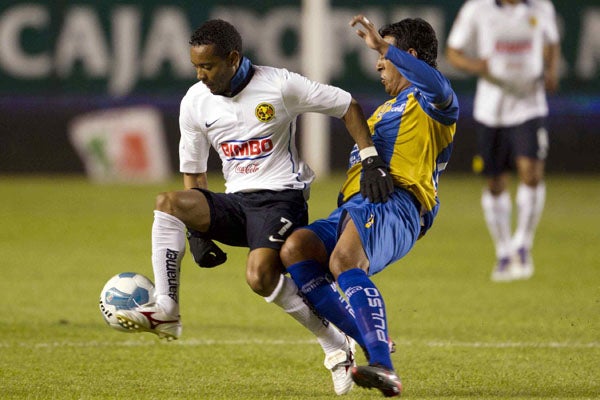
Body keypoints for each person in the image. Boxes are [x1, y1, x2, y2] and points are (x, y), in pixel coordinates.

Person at [113, 19, 394, 395]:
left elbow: (347, 105)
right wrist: (198, 235)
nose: (200, 75)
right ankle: (166, 310)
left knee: (259, 276)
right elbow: (194, 175)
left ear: (233, 59)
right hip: (237, 202)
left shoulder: (280, 85)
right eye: (195, 66)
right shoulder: (195, 101)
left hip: (281, 198)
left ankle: (334, 343)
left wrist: (371, 157)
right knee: (168, 202)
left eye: (207, 66)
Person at [280, 15, 458, 397]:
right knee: (296, 249)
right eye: (380, 56)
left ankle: (383, 365)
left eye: (384, 57)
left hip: (397, 204)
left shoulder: (431, 105)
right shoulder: (383, 112)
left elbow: (439, 86)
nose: (378, 64)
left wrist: (384, 46)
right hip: (355, 207)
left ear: (409, 56)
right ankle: (368, 338)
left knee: (344, 261)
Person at [446, 0, 561, 282]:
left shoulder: (541, 7)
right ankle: (504, 251)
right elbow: (453, 52)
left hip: (530, 105)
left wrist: (551, 70)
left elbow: (552, 42)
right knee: (495, 182)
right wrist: (477, 65)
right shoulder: (477, 9)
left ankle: (523, 244)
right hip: (492, 109)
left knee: (531, 173)